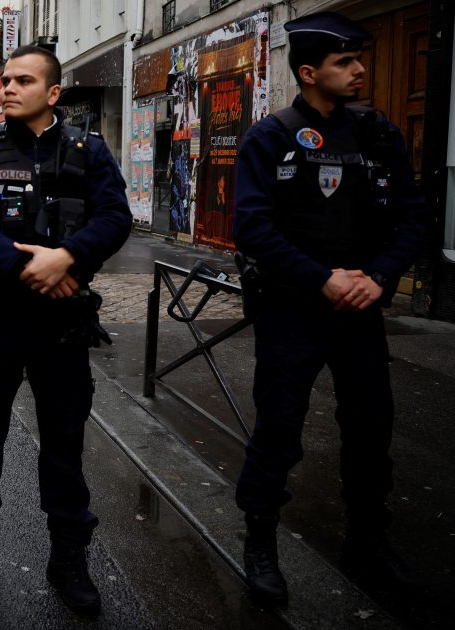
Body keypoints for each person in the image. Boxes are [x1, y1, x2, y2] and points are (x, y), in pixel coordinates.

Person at [232, 11, 430, 605]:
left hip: (361, 309)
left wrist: (379, 277)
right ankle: (260, 543)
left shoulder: (376, 133)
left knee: (371, 430)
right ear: (310, 71)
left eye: (360, 59)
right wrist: (322, 279)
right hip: (293, 309)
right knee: (279, 431)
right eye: (346, 62)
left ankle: (368, 542)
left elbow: (413, 215)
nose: (360, 70)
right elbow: (254, 229)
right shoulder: (270, 137)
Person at [0, 45, 131, 614]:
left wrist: (66, 257)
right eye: (5, 80)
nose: (8, 88)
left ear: (53, 93)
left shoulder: (88, 152)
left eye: (23, 80)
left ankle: (68, 557)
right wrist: (33, 267)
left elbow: (115, 218)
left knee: (64, 446)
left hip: (61, 327)